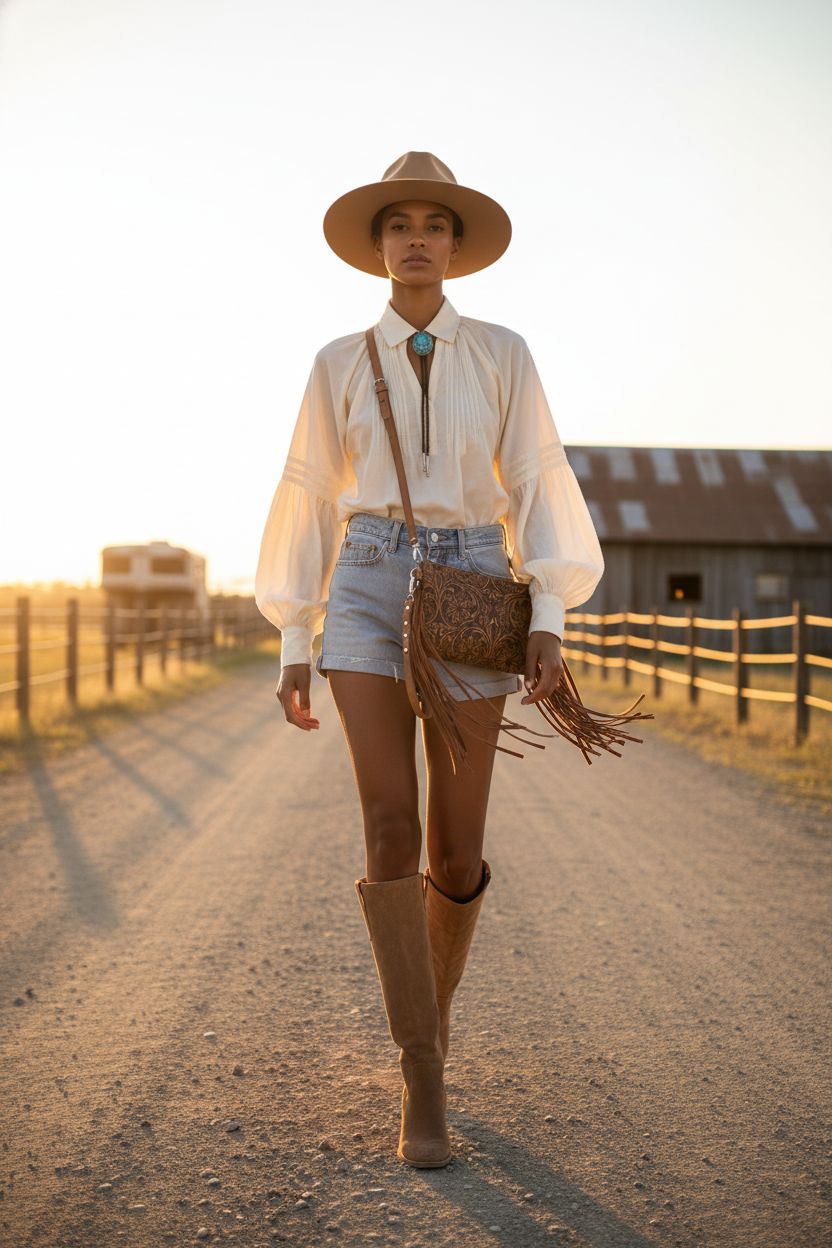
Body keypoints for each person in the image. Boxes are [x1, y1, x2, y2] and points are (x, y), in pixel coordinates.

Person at [254, 152, 604, 1168]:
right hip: (363, 586)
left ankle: (430, 1020)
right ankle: (423, 1076)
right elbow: (311, 494)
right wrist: (292, 633)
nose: (415, 238)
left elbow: (537, 479)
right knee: (385, 825)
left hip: (470, 586)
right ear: (377, 247)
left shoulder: (502, 351)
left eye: (434, 224)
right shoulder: (334, 360)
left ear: (455, 246)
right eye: (397, 223)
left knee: (454, 850)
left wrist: (548, 609)